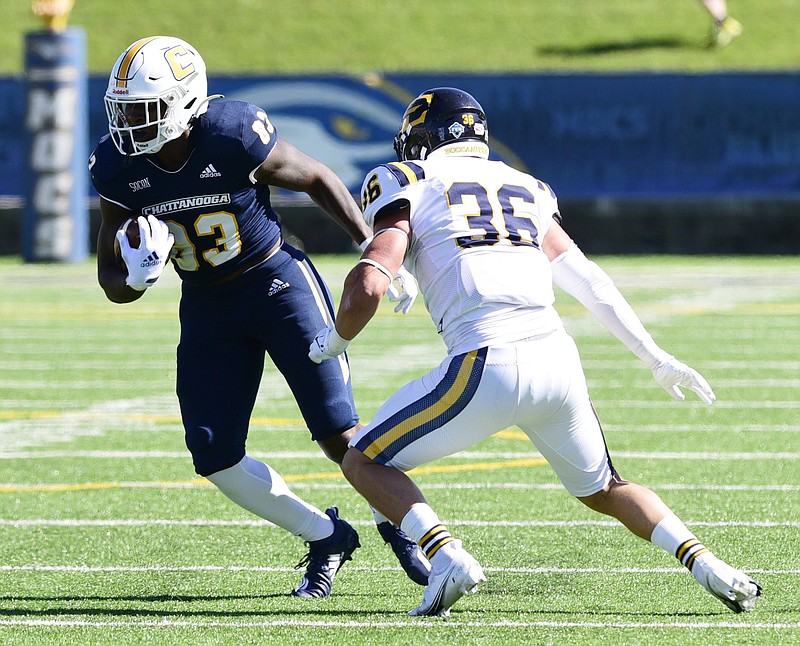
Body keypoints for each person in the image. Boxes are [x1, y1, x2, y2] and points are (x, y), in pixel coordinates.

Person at [308, 87, 763, 616]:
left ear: (425, 139)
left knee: (362, 458)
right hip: (557, 365)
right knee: (606, 489)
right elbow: (589, 282)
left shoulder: (410, 180)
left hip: (484, 365)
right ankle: (709, 564)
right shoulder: (525, 186)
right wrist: (653, 356)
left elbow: (368, 284)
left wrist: (337, 339)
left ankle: (446, 555)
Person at [89, 35, 429, 599]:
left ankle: (407, 527)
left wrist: (372, 248)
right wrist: (137, 276)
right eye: (120, 108)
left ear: (184, 103)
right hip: (206, 305)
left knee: (337, 430)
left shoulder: (230, 135)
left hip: (276, 285)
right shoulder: (118, 167)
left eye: (141, 109)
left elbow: (317, 177)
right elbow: (111, 283)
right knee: (215, 454)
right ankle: (326, 537)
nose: (127, 123)